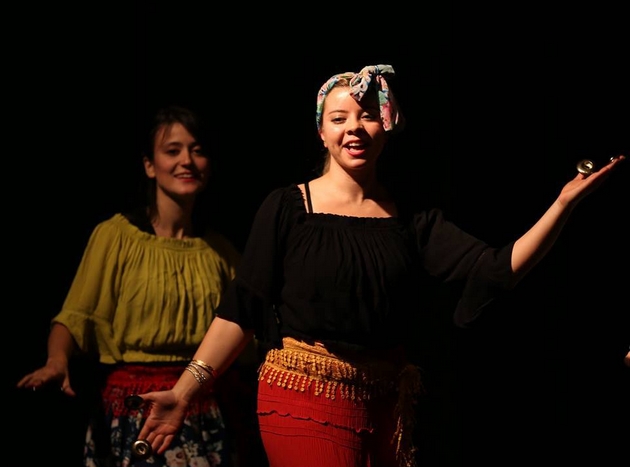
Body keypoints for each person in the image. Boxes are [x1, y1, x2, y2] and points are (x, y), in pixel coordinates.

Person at [132, 65, 625, 467]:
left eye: (367, 115)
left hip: (384, 410)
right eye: (339, 117)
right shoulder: (287, 207)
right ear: (322, 132)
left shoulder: (411, 219)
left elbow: (496, 269)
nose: (354, 127)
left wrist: (562, 205)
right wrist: (185, 392)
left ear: (385, 129)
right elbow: (243, 307)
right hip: (303, 398)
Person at [16, 105, 264, 467]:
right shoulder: (116, 236)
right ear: (150, 165)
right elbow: (76, 315)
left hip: (204, 414)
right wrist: (57, 361)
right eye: (173, 150)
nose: (187, 161)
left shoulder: (222, 253)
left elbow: (249, 335)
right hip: (135, 413)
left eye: (197, 150)